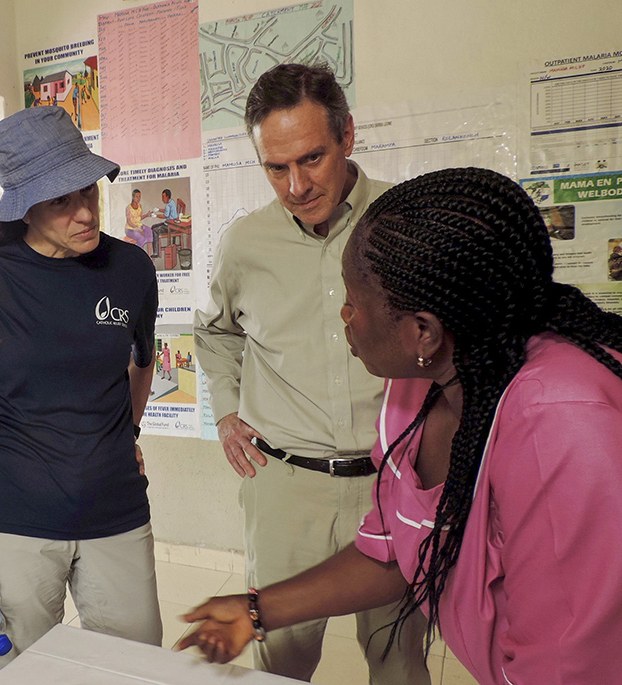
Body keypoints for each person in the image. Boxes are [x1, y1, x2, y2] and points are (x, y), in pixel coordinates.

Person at [180, 166, 622, 684]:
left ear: (422, 332)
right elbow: (397, 545)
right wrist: (256, 610)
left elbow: (569, 666)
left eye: (352, 304)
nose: (342, 316)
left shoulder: (562, 425)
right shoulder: (417, 385)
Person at [193, 63, 429, 682]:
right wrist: (225, 410)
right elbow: (214, 333)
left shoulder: (404, 222)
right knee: (281, 657)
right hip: (285, 487)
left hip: (392, 477)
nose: (296, 185)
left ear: (347, 136)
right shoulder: (244, 244)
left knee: (398, 654)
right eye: (277, 168)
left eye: (312, 158)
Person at [0, 105, 162, 671]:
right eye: (61, 200)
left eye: (89, 190)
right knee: (26, 673)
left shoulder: (130, 268)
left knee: (138, 671)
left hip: (117, 512)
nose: (84, 212)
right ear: (23, 205)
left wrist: (125, 430)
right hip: (13, 521)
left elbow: (141, 363)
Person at [149, 189, 179, 258]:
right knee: (153, 226)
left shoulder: (168, 205)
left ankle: (156, 252)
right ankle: (156, 249)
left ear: (167, 197)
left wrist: (156, 216)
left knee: (154, 230)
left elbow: (165, 215)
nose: (162, 199)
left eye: (163, 197)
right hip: (171, 224)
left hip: (170, 227)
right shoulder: (172, 202)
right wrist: (159, 210)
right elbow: (166, 211)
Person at [124, 188, 153, 253]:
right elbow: (129, 221)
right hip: (130, 229)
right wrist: (138, 228)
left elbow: (138, 218)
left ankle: (149, 255)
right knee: (141, 238)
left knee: (149, 231)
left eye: (139, 197)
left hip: (139, 226)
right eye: (137, 196)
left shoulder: (140, 206)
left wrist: (147, 215)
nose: (138, 198)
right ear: (133, 197)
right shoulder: (129, 208)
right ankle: (140, 256)